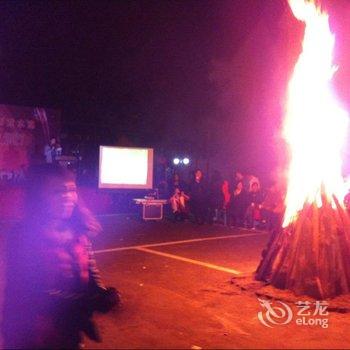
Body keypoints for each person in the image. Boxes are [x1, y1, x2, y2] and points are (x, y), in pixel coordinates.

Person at [2, 163, 119, 349]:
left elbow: (91, 275)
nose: (67, 197)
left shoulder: (79, 233)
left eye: (71, 190)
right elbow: (22, 291)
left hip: (71, 336)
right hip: (34, 337)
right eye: (57, 191)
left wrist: (103, 295)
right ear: (39, 197)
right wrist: (82, 302)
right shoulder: (24, 234)